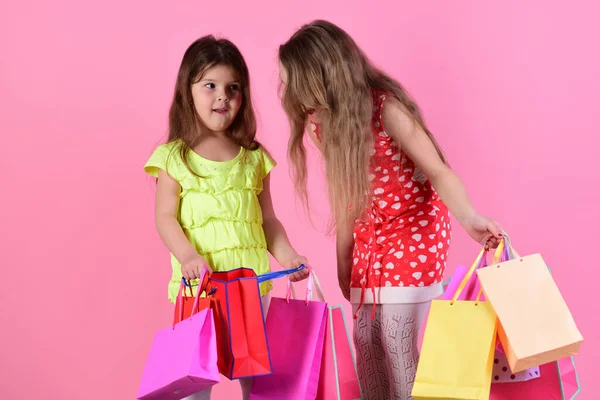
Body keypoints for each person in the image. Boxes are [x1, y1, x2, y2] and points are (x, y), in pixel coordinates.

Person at [278, 20, 503, 400]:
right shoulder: (322, 123)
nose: (291, 95)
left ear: (326, 75)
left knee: (395, 338)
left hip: (414, 232)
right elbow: (347, 193)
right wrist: (343, 258)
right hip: (371, 238)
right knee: (365, 339)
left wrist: (469, 218)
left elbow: (438, 171)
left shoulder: (387, 109)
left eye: (296, 84)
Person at [144, 35, 308, 400]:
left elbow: (268, 221)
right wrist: (187, 256)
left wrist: (288, 256)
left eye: (233, 87)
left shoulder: (253, 157)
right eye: (210, 86)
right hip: (199, 288)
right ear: (188, 92)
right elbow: (165, 218)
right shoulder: (174, 156)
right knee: (194, 378)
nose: (222, 96)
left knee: (257, 376)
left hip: (251, 284)